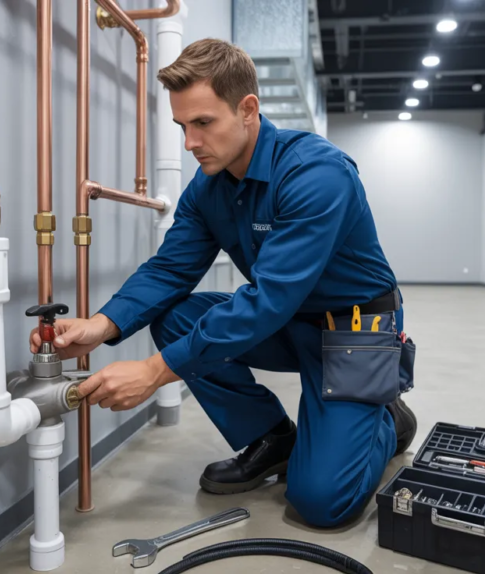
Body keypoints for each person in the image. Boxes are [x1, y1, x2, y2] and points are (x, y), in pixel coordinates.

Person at [29, 38, 416, 528]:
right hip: (286, 323)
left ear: (247, 109)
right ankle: (273, 438)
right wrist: (102, 325)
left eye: (203, 123)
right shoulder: (209, 187)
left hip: (353, 333)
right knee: (174, 316)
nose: (190, 142)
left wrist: (153, 371)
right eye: (182, 126)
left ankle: (384, 418)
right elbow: (171, 269)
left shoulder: (316, 174)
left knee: (321, 502)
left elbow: (268, 300)